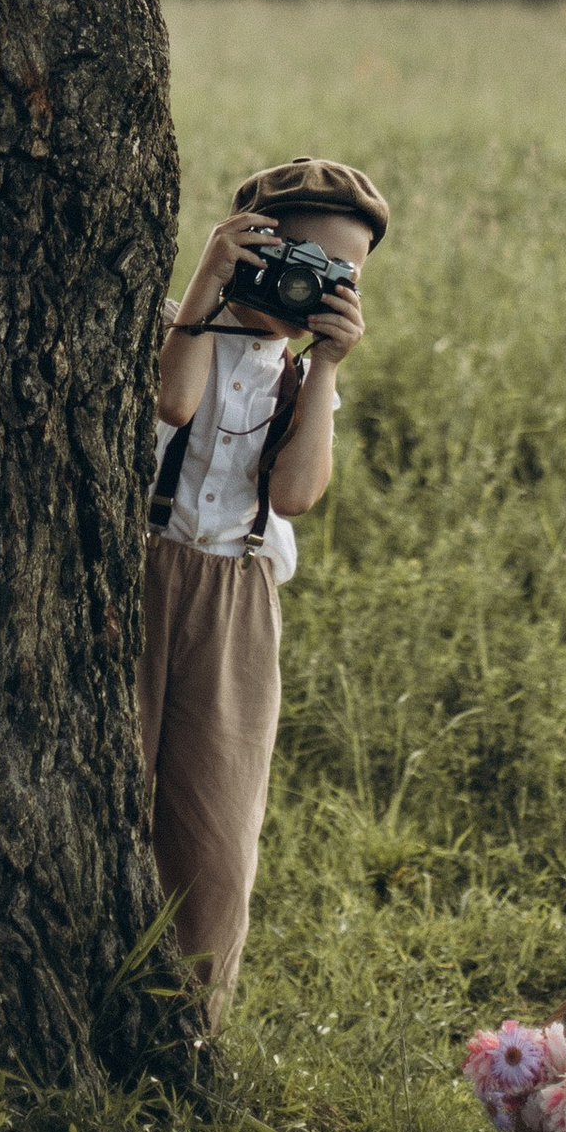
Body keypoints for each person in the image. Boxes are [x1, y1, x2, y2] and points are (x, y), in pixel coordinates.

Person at [139, 152, 388, 1025]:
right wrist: (206, 284)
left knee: (217, 829)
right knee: (113, 786)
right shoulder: (180, 326)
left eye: (336, 280)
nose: (306, 291)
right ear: (250, 246)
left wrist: (326, 365)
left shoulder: (300, 376)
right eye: (299, 264)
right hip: (140, 574)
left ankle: (189, 1028)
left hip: (239, 602)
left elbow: (292, 495)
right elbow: (173, 404)